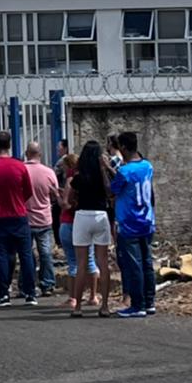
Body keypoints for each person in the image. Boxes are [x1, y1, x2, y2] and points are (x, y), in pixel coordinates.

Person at [0, 130, 36, 308]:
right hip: (19, 215)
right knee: (26, 256)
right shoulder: (20, 166)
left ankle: (3, 294)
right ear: (10, 145)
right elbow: (28, 192)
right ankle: (30, 293)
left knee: (2, 256)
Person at [109, 131, 156, 318]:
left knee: (134, 265)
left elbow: (111, 190)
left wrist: (106, 168)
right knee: (147, 262)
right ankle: (150, 300)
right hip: (147, 220)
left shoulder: (124, 171)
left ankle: (138, 304)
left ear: (123, 148)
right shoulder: (147, 166)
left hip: (129, 223)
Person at [66, 140, 113, 317]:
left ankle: (78, 307)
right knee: (103, 262)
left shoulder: (79, 176)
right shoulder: (102, 176)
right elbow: (110, 192)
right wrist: (105, 168)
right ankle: (105, 306)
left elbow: (69, 199)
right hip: (101, 216)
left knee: (81, 264)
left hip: (82, 216)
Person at [58, 153, 99, 310]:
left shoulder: (72, 181)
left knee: (73, 261)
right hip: (86, 221)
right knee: (90, 259)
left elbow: (66, 204)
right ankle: (93, 296)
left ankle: (73, 298)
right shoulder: (88, 179)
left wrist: (57, 196)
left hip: (69, 222)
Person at [24, 141, 60, 297]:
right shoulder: (49, 172)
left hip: (25, 218)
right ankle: (48, 283)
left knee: (26, 254)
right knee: (45, 253)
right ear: (40, 154)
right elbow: (55, 193)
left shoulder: (22, 170)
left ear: (26, 153)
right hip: (44, 217)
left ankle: (27, 284)